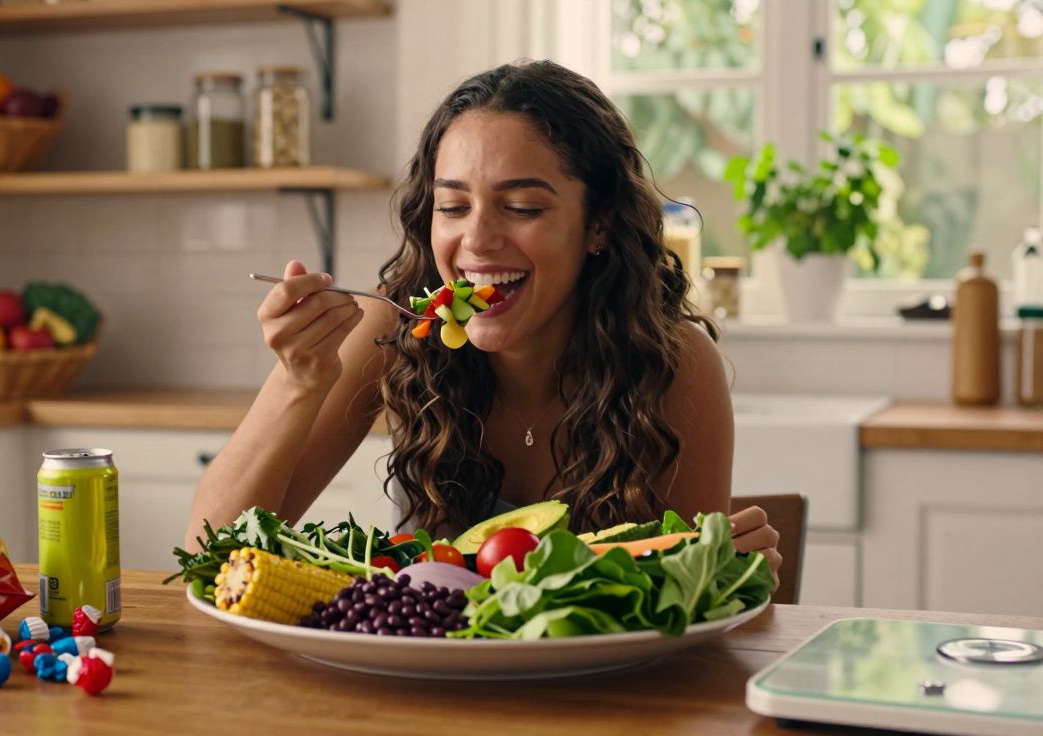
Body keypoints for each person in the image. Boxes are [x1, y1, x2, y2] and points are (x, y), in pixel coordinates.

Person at [184, 60, 783, 581]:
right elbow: (207, 552)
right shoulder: (391, 331)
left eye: (522, 207)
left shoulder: (673, 364)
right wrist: (297, 381)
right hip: (427, 691)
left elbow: (690, 613)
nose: (477, 238)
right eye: (452, 206)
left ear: (598, 224)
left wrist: (727, 572)